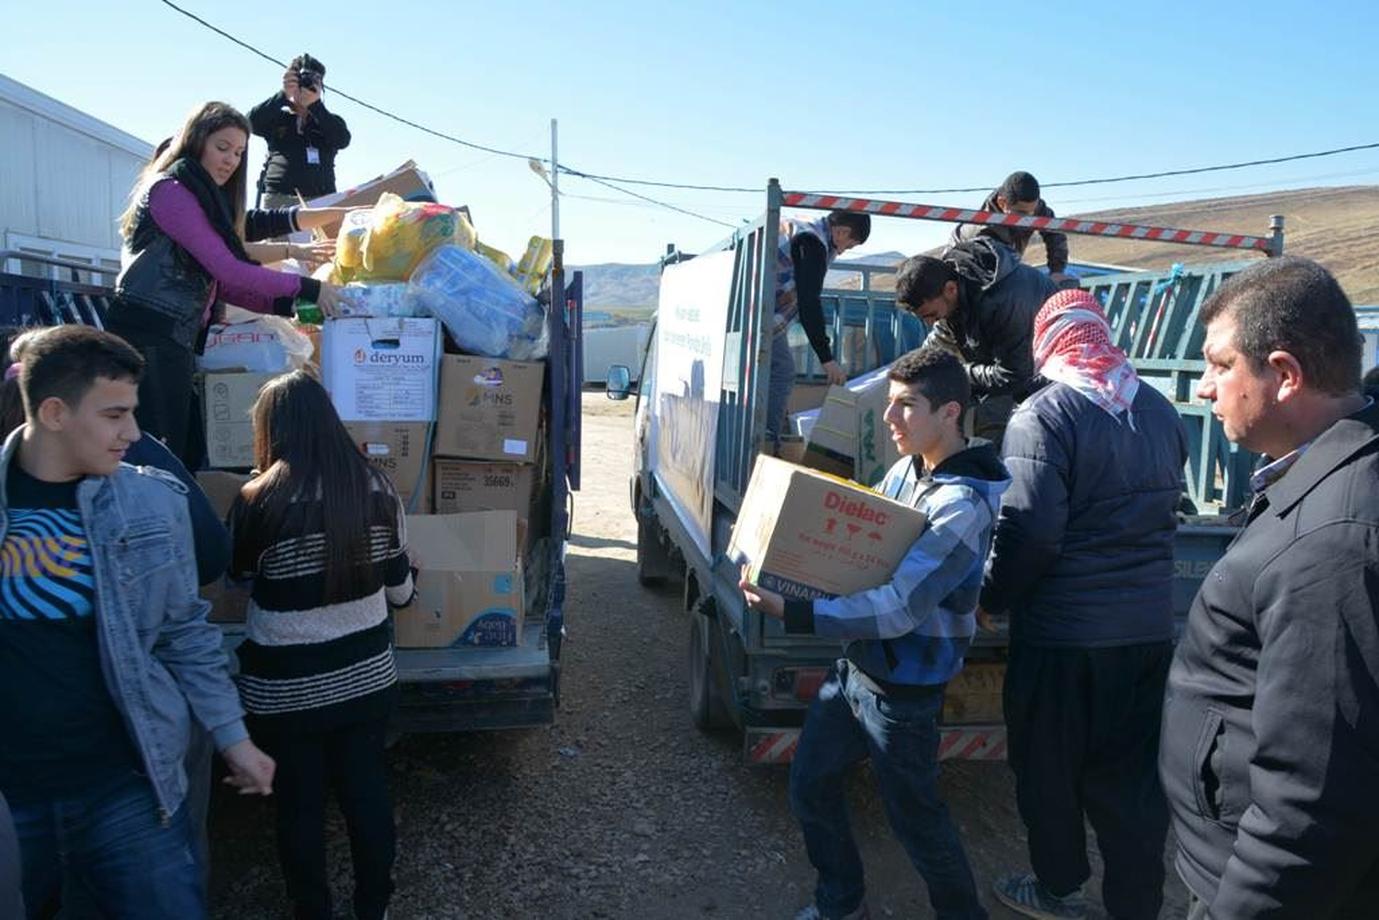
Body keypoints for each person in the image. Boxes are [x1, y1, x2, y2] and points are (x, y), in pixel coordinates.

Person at [0, 325, 274, 919]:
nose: (132, 433)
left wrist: (233, 737)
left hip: (125, 785)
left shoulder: (152, 502)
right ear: (54, 413)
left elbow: (185, 633)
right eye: (115, 415)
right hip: (12, 799)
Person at [741, 347, 1009, 920]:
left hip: (904, 691)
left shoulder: (963, 506)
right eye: (889, 403)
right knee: (810, 784)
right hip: (856, 670)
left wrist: (795, 612)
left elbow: (897, 609)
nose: (889, 418)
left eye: (906, 405)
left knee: (918, 823)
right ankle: (841, 902)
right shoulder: (908, 470)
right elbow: (861, 552)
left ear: (950, 413)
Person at [1158, 257, 1379, 917]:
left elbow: (1311, 800)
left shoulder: (1332, 541)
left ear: (1283, 375)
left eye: (1219, 366)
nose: (1204, 388)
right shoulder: (1323, 475)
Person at [978, 289, 1187, 919]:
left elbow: (1031, 534)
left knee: (1048, 770)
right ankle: (1136, 906)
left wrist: (992, 597)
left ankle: (1058, 889)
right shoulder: (1158, 408)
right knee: (1132, 783)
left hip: (1063, 640)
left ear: (1046, 338)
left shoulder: (1042, 415)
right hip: (1146, 634)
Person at [228, 370, 414, 920]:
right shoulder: (378, 487)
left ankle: (312, 909)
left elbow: (239, 579)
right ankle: (373, 907)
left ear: (271, 429)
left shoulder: (257, 499)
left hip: (285, 691)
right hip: (365, 680)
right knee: (367, 795)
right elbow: (400, 592)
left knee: (299, 806)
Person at [108, 101, 342, 468]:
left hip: (172, 338)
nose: (231, 160)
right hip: (150, 337)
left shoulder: (202, 199)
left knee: (183, 451)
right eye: (222, 147)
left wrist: (286, 306)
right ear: (196, 140)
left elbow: (220, 283)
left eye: (238, 152)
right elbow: (229, 269)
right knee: (158, 454)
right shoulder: (171, 192)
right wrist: (306, 288)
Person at [895, 238, 1057, 443]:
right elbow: (942, 336)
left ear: (950, 289)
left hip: (1050, 377)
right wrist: (916, 369)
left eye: (932, 315)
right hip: (1013, 363)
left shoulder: (1007, 301)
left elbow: (1014, 375)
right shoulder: (954, 287)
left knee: (990, 418)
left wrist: (959, 371)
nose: (929, 322)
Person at [765, 210, 872, 448]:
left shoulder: (801, 226)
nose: (843, 251)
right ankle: (766, 441)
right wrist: (827, 359)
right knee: (781, 372)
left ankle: (767, 432)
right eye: (849, 245)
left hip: (757, 310)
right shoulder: (813, 243)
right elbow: (809, 301)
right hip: (759, 315)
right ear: (841, 232)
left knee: (776, 371)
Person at [250, 54, 352, 208]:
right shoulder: (277, 117)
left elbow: (342, 140)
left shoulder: (328, 120)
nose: (306, 85)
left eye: (314, 81)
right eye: (302, 80)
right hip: (279, 198)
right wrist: (283, 95)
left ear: (321, 87)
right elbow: (249, 123)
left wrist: (316, 106)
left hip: (321, 198)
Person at [951, 171, 1071, 284]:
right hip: (964, 262)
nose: (1029, 219)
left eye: (1033, 212)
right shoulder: (985, 231)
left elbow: (1055, 235)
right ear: (1002, 203)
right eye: (1022, 213)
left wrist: (1057, 271)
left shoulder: (1033, 207)